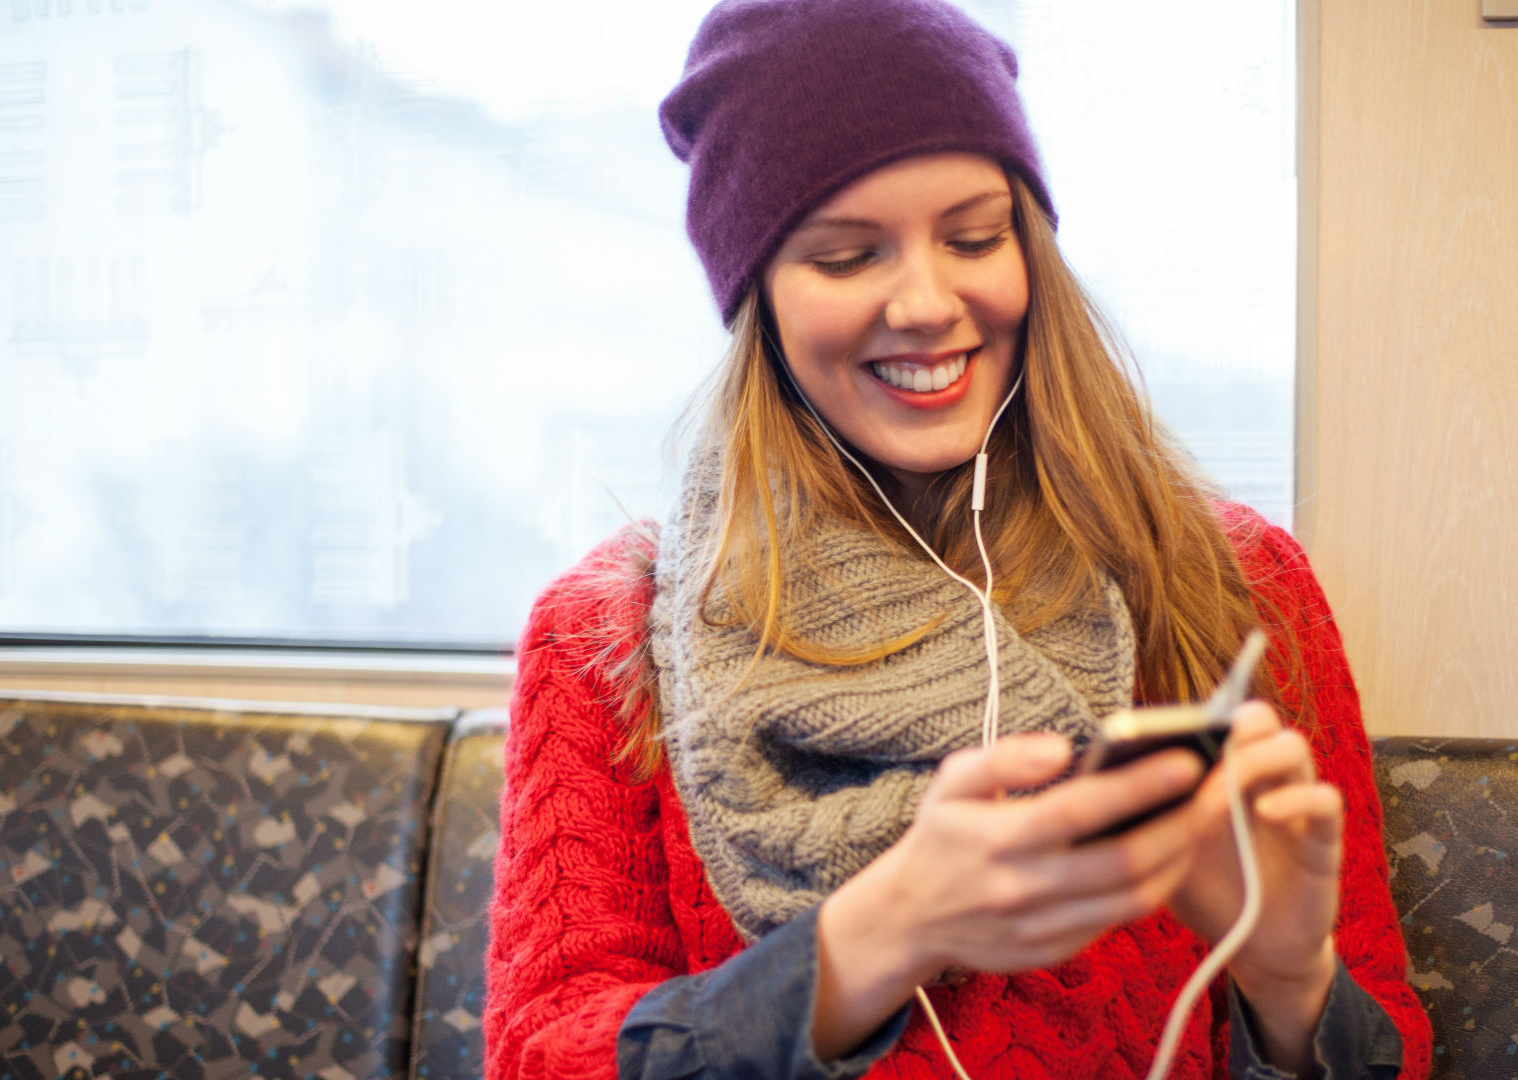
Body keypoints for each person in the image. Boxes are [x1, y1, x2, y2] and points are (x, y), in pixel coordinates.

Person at [483, 1, 1431, 1076]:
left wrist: (1286, 979)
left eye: (975, 238)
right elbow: (539, 1054)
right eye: (845, 257)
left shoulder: (1234, 586)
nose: (929, 303)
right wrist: (880, 936)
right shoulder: (602, 640)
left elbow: (1386, 1035)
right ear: (760, 301)